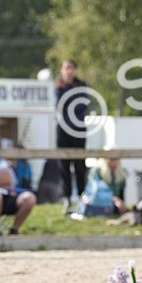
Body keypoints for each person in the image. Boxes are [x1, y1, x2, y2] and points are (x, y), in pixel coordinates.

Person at [55, 58, 90, 210]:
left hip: (78, 128)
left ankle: (82, 195)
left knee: (80, 164)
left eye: (70, 68)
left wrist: (70, 100)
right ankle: (67, 197)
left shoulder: (81, 85)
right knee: (64, 164)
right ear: (62, 70)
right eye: (65, 68)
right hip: (63, 129)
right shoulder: (59, 86)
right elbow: (60, 104)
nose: (68, 71)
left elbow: (81, 104)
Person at [0, 144, 36, 235]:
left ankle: (14, 230)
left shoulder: (25, 166)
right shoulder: (0, 162)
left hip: (14, 194)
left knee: (29, 198)